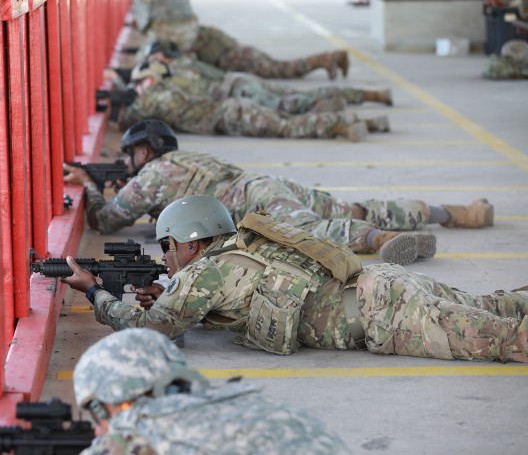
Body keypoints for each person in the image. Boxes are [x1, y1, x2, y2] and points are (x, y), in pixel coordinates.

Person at [62, 195, 528, 363]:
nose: (165, 259)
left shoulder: (202, 272)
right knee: (498, 304)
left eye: (168, 246)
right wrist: (166, 294)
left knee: (506, 341)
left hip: (386, 315)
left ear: (192, 242)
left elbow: (153, 330)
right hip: (383, 284)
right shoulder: (245, 247)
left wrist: (94, 292)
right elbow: (229, 302)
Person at [65, 119, 494, 265]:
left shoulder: (152, 175)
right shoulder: (185, 159)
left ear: (146, 149)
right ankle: (459, 213)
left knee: (313, 230)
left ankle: (380, 240)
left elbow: (107, 219)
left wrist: (90, 188)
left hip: (254, 201)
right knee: (355, 205)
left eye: (130, 155)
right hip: (265, 183)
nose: (127, 163)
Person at [74, 328, 348, 454]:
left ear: (117, 400)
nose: (98, 430)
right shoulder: (248, 401)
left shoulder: (139, 433)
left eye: (96, 414)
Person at [117, 60, 389, 142]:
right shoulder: (178, 76)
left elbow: (128, 119)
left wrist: (130, 97)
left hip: (232, 113)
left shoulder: (156, 98)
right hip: (236, 97)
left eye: (142, 82)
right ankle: (360, 118)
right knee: (291, 110)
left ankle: (342, 126)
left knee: (289, 123)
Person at [105, 39, 392, 114]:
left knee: (293, 101)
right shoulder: (183, 64)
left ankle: (360, 98)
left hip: (240, 90)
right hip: (240, 82)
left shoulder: (173, 75)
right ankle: (363, 96)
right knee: (292, 95)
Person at [124, 0, 349, 80]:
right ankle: (325, 59)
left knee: (272, 70)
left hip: (204, 47)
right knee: (273, 67)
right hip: (205, 37)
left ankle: (325, 60)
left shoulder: (169, 37)